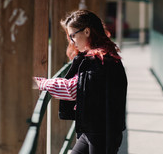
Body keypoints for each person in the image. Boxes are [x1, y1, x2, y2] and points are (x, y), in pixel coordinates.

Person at [34, 9, 127, 154]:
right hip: (95, 129)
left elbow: (73, 89)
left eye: (73, 36)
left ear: (87, 32)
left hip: (101, 133)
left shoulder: (99, 60)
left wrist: (40, 83)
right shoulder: (105, 54)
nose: (72, 41)